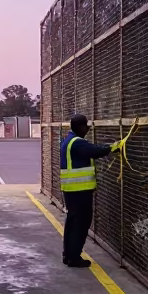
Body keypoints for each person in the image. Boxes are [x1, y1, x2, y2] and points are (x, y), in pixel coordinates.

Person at [59, 114, 119, 268]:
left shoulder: (69, 141)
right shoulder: (77, 143)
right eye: (86, 126)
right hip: (79, 190)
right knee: (80, 224)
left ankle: (69, 255)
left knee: (72, 223)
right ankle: (74, 257)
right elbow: (95, 150)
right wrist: (113, 147)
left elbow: (91, 149)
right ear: (80, 127)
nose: (88, 129)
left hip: (72, 190)